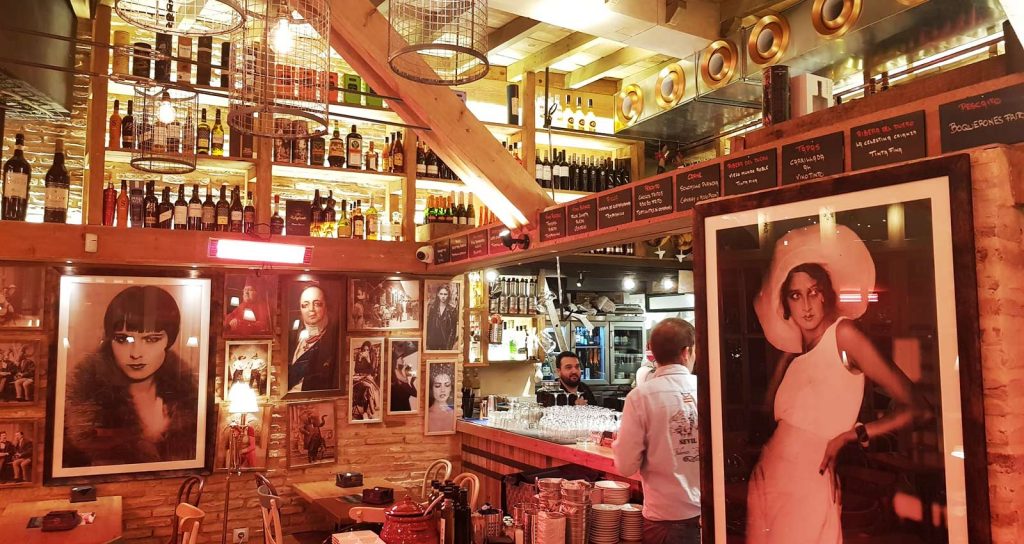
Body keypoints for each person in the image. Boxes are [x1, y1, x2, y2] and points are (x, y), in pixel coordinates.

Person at [746, 225, 931, 544]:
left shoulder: (844, 335)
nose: (806, 305)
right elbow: (771, 418)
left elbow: (918, 408)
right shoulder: (792, 355)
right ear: (785, 304)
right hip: (769, 474)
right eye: (795, 295)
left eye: (814, 291)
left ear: (827, 294)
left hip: (808, 480)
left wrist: (852, 434)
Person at [63, 286, 199, 467]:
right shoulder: (85, 397)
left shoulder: (187, 395)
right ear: (110, 341)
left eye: (151, 339)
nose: (136, 354)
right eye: (124, 339)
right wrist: (145, 438)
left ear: (169, 340)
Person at [612, 318, 701, 544]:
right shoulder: (708, 389)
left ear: (652, 352)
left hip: (666, 519)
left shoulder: (641, 397)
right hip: (713, 514)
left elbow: (625, 465)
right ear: (687, 352)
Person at [289, 285, 338, 393]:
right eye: (305, 305)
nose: (311, 309)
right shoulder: (292, 336)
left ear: (326, 306)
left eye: (317, 304)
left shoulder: (335, 339)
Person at [351, 341, 381, 421]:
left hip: (368, 377)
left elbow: (372, 370)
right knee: (370, 387)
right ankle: (372, 410)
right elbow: (356, 370)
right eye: (364, 349)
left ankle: (366, 412)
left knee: (368, 389)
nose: (365, 351)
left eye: (367, 350)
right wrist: (360, 359)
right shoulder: (359, 355)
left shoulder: (372, 355)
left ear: (370, 350)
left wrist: (368, 359)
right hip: (360, 377)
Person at [425, 284, 458, 350]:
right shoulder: (433, 308)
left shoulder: (452, 310)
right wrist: (428, 343)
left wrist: (449, 346)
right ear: (438, 294)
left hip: (445, 343)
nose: (443, 296)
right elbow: (429, 326)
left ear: (448, 295)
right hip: (433, 343)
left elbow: (453, 330)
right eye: (441, 294)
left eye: (445, 294)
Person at [389, 341, 418, 412]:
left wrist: (411, 381)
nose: (403, 359)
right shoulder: (395, 378)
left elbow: (415, 393)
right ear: (395, 360)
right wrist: (411, 381)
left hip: (405, 409)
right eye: (401, 358)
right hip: (398, 411)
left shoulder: (401, 375)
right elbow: (414, 393)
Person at [427, 363, 455, 433]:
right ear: (431, 388)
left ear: (451, 388)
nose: (443, 390)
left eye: (447, 385)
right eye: (437, 385)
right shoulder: (426, 415)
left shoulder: (455, 414)